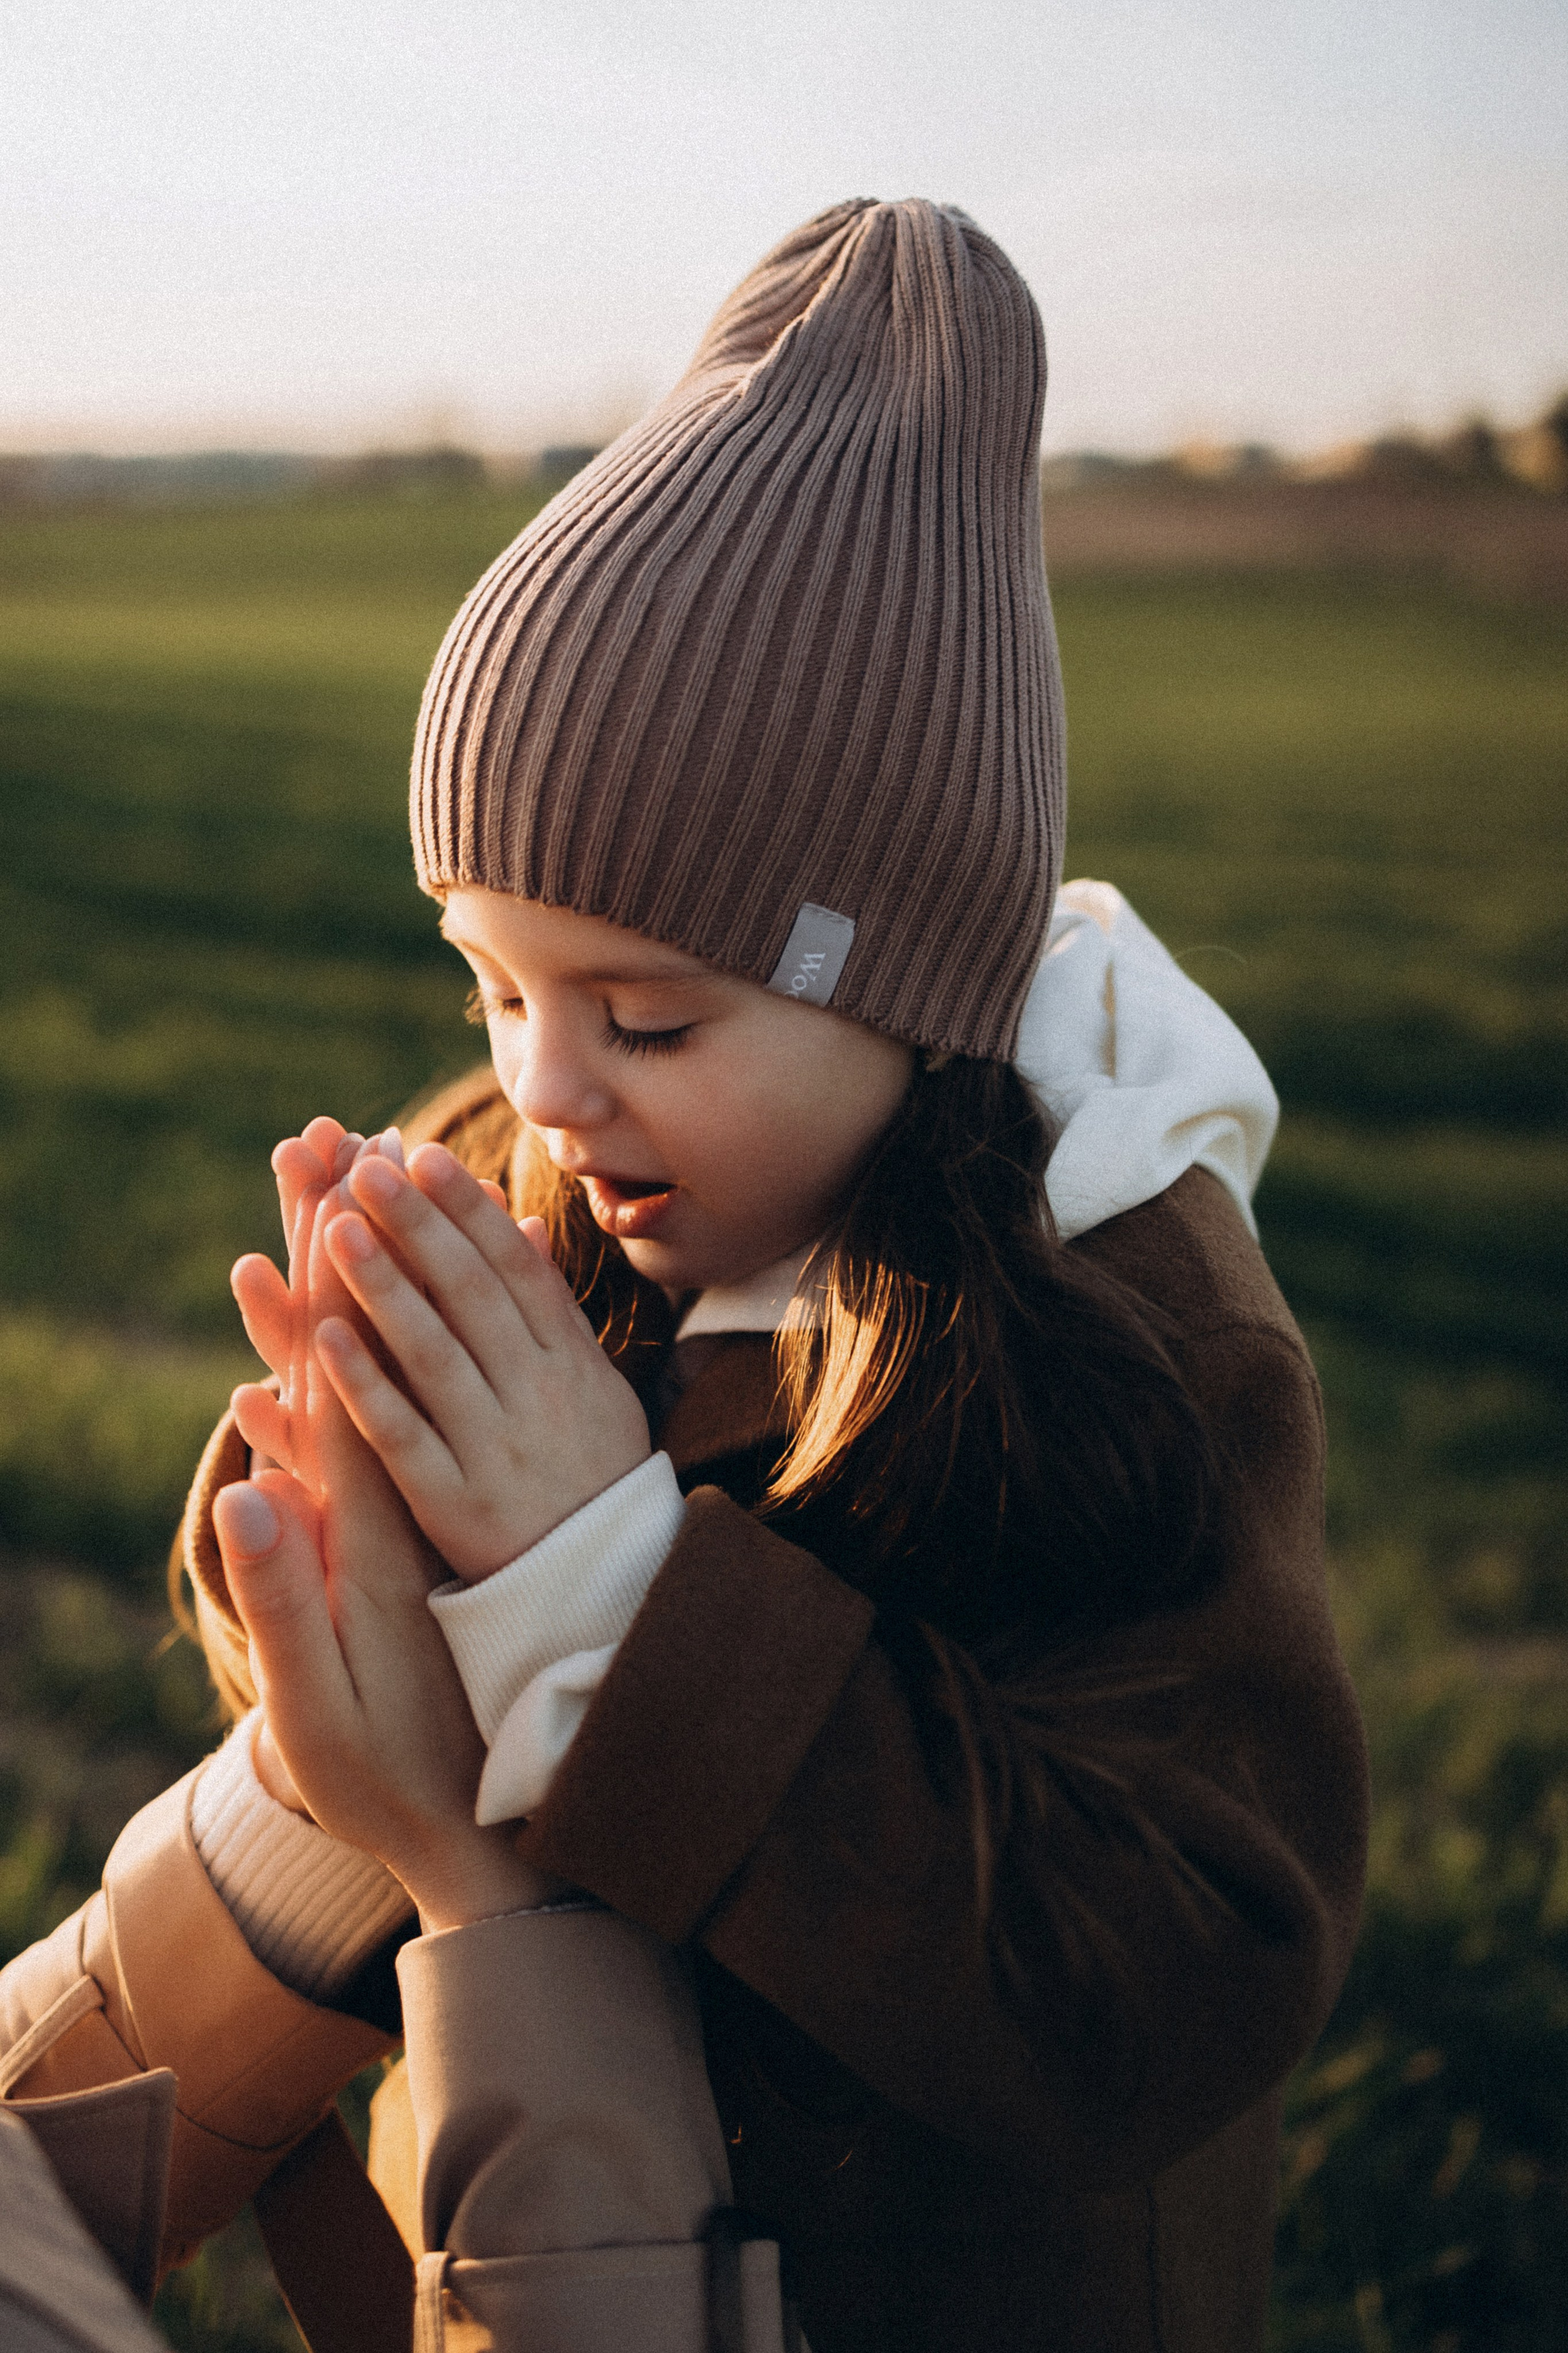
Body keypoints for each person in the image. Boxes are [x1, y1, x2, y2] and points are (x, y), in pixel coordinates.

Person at [0, 198, 1368, 2353]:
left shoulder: (1128, 1338)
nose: (546, 1091)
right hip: (525, 2236)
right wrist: (314, 1520)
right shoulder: (552, 1171)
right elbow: (318, 1699)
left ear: (908, 990)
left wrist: (606, 1599)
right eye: (491, 981)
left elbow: (1166, 1986)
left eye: (647, 1019)